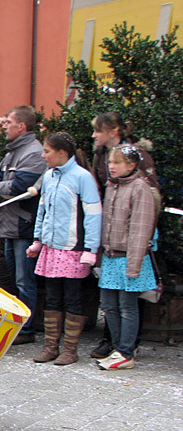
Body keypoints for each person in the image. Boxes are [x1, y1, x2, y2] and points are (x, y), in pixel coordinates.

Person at [0, 105, 47, 345]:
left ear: (22, 126)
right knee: (12, 280)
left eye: (8, 123)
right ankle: (11, 325)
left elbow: (19, 187)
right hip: (9, 224)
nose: (3, 126)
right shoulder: (11, 153)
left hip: (23, 224)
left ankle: (25, 329)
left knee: (24, 280)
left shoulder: (32, 153)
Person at [26, 132, 101, 366]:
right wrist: (38, 239)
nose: (43, 155)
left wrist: (91, 247)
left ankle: (70, 349)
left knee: (73, 299)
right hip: (51, 247)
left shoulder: (82, 177)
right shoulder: (48, 176)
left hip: (73, 249)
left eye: (47, 151)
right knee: (52, 298)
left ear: (62, 153)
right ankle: (50, 347)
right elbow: (42, 210)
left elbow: (93, 215)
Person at [89, 111, 159, 360]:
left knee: (128, 305)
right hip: (111, 252)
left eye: (116, 163)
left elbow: (141, 225)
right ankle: (116, 346)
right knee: (109, 305)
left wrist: (135, 261)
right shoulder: (111, 182)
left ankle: (126, 349)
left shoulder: (140, 186)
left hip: (130, 251)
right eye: (110, 164)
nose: (111, 168)